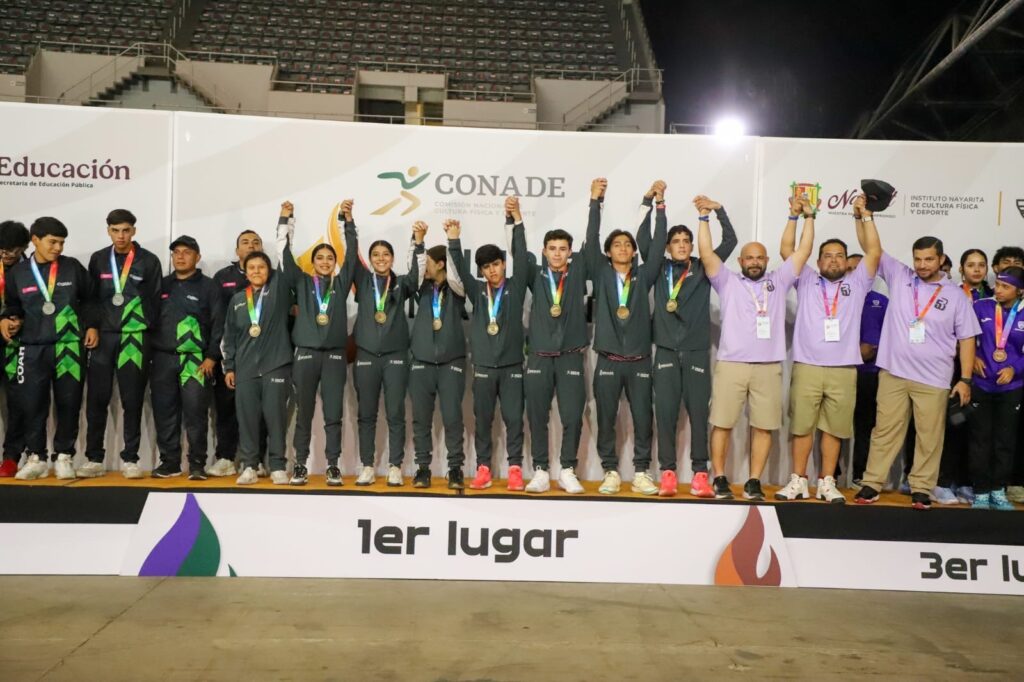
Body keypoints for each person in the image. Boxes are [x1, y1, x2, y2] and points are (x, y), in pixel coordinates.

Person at [854, 232, 980, 510]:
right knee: (884, 431)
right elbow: (871, 247)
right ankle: (872, 483)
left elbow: (967, 338)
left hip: (934, 378)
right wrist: (864, 217)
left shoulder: (955, 296)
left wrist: (965, 379)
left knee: (929, 436)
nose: (922, 265)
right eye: (918, 259)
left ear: (941, 259)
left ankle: (922, 488)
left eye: (929, 259)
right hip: (894, 373)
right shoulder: (900, 276)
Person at [702, 195, 815, 500]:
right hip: (732, 365)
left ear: (766, 261)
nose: (754, 262)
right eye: (749, 258)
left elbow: (804, 251)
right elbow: (706, 253)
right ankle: (720, 477)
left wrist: (806, 217)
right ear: (741, 262)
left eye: (759, 258)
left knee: (764, 427)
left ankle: (754, 481)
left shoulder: (779, 280)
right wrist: (704, 218)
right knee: (722, 423)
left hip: (768, 366)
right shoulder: (726, 281)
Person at [775, 194, 880, 504]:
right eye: (827, 256)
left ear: (847, 262)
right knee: (802, 427)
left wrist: (865, 216)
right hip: (807, 366)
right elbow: (786, 250)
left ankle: (827, 482)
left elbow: (874, 251)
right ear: (819, 262)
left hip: (843, 370)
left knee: (834, 429)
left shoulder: (857, 284)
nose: (833, 260)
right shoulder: (806, 279)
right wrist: (796, 216)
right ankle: (798, 481)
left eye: (839, 256)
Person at [640, 191, 737, 497]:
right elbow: (643, 239)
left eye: (686, 241)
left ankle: (699, 475)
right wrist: (652, 204)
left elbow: (730, 241)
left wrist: (718, 209)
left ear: (692, 245)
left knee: (698, 415)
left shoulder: (704, 267)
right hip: (666, 353)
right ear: (667, 247)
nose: (681, 245)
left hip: (696, 352)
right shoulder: (658, 268)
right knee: (665, 415)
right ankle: (668, 474)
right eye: (676, 241)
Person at [521, 180, 604, 494]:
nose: (557, 253)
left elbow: (592, 241)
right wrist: (515, 219)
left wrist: (594, 202)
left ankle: (567, 469)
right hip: (539, 357)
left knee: (572, 417)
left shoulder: (579, 271)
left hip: (570, 356)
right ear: (544, 252)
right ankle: (541, 470)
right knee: (537, 417)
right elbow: (518, 251)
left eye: (563, 249)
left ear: (570, 252)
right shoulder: (534, 274)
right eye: (552, 249)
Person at [588, 179, 666, 495]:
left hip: (639, 360)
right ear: (608, 252)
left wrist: (659, 206)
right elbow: (591, 237)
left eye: (627, 244)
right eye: (617, 244)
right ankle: (610, 471)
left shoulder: (644, 276)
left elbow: (658, 247)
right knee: (606, 418)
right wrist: (595, 202)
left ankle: (642, 472)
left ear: (634, 252)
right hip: (608, 359)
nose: (622, 247)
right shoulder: (600, 272)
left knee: (644, 419)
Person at [1, 218, 93, 480]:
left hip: (69, 347)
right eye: (53, 242)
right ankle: (37, 457)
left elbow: (90, 300)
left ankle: (64, 456)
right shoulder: (18, 273)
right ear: (35, 240)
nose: (58, 248)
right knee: (32, 404)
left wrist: (92, 326)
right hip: (31, 348)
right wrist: (8, 319)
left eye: (62, 243)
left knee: (69, 403)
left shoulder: (72, 267)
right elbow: (13, 305)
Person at [449, 197, 529, 491]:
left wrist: (517, 220)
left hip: (511, 367)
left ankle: (515, 469)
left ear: (503, 264)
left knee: (514, 420)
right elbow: (459, 268)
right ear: (481, 271)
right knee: (482, 420)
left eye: (496, 264)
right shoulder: (477, 291)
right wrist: (454, 241)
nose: (492, 270)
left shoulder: (516, 287)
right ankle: (483, 469)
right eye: (486, 267)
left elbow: (522, 256)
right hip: (483, 367)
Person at [278, 200, 357, 486]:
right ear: (313, 262)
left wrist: (348, 221)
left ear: (335, 263)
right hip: (306, 355)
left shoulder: (341, 283)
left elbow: (352, 254)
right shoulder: (301, 282)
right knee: (304, 413)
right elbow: (284, 255)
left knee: (333, 414)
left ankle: (333, 465)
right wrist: (285, 220)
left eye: (329, 258)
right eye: (320, 258)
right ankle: (300, 464)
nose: (325, 262)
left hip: (334, 357)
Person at [80, 209, 162, 478]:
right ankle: (94, 458)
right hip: (103, 337)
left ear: (134, 231)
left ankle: (130, 459)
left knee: (132, 399)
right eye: (115, 230)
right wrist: (92, 325)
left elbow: (154, 301)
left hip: (134, 338)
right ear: (108, 231)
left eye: (126, 230)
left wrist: (142, 330)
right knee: (97, 398)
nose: (121, 236)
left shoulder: (149, 261)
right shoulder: (98, 259)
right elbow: (91, 298)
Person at [351, 224, 423, 487]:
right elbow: (350, 253)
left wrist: (418, 242)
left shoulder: (402, 283)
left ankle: (395, 467)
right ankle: (367, 466)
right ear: (370, 259)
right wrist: (348, 223)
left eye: (386, 254)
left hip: (395, 357)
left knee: (395, 413)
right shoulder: (362, 280)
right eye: (376, 255)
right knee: (366, 414)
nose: (381, 258)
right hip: (366, 356)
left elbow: (417, 274)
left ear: (392, 258)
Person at [150, 236, 224, 480]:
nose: (180, 256)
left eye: (187, 252)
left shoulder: (209, 286)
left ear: (197, 257)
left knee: (195, 414)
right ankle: (170, 463)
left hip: (196, 361)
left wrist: (212, 357)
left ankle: (197, 464)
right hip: (162, 358)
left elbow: (218, 324)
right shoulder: (161, 284)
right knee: (165, 413)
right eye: (176, 252)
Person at [222, 251, 293, 485]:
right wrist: (229, 367)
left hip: (276, 366)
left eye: (261, 267)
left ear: (269, 271)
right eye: (251, 267)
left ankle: (278, 466)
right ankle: (250, 466)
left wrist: (285, 231)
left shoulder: (278, 292)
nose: (256, 271)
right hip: (245, 369)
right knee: (247, 420)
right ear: (245, 271)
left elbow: (285, 264)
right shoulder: (237, 300)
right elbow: (229, 336)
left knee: (276, 419)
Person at [409, 221, 468, 489]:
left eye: (430, 263)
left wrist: (453, 241)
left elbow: (457, 272)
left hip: (451, 362)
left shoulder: (457, 289)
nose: (425, 268)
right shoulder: (421, 287)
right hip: (421, 361)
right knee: (421, 419)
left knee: (453, 418)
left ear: (441, 264)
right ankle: (423, 468)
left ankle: (455, 469)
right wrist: (418, 242)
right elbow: (415, 269)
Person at [931, 248, 992, 505]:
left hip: (987, 373)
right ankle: (944, 482)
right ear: (961, 269)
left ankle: (967, 483)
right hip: (957, 370)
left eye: (981, 265)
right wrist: (967, 356)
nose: (976, 269)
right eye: (971, 265)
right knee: (954, 426)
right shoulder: (952, 293)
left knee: (976, 431)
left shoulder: (995, 296)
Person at [206, 229, 266, 477]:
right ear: (237, 250)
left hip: (262, 357)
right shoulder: (223, 277)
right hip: (230, 355)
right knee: (226, 408)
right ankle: (225, 457)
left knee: (259, 411)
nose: (251, 245)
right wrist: (215, 354)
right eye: (245, 242)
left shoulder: (270, 277)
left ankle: (256, 460)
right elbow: (216, 319)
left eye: (256, 242)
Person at [968, 266, 1024, 510]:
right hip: (982, 384)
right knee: (979, 439)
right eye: (998, 284)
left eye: (1005, 286)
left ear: (1020, 291)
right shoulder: (981, 307)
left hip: (1011, 387)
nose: (998, 290)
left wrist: (1015, 369)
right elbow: (965, 338)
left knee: (1005, 440)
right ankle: (980, 491)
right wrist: (973, 357)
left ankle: (998, 490)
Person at [0, 220, 30, 477]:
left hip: (17, 346)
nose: (7, 254)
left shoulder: (30, 271)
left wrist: (20, 321)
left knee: (17, 404)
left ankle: (11, 457)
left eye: (13, 250)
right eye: (2, 249)